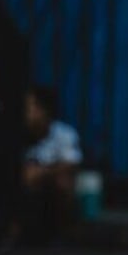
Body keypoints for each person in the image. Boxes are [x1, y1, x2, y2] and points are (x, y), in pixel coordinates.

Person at [18, 85, 83, 244]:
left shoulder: (64, 134)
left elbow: (72, 162)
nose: (27, 113)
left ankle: (62, 232)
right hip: (28, 190)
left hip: (49, 188)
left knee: (64, 182)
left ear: (44, 111)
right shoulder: (20, 136)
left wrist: (42, 173)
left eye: (31, 107)